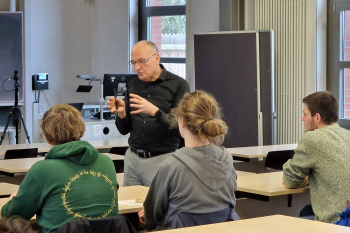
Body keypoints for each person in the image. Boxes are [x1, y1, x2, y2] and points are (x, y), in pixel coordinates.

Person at [1, 104, 119, 233]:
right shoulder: (106, 163)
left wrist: (15, 200)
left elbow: (11, 216)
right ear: (81, 130)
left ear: (46, 137)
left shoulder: (42, 170)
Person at [138, 90, 238, 230]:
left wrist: (147, 216)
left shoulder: (170, 166)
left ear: (182, 121)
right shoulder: (227, 158)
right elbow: (231, 203)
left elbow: (152, 217)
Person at [107, 40, 190, 186]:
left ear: (157, 58)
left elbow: (180, 130)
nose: (137, 67)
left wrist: (156, 113)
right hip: (133, 158)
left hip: (163, 159)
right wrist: (122, 114)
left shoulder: (178, 85)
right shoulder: (133, 84)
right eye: (133, 63)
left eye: (142, 61)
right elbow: (124, 129)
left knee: (158, 207)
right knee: (131, 206)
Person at [282, 91, 350, 223]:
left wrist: (307, 178)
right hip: (347, 215)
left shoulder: (313, 138)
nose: (302, 119)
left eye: (305, 114)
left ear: (317, 117)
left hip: (337, 221)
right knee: (307, 210)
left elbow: (289, 181)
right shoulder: (347, 135)